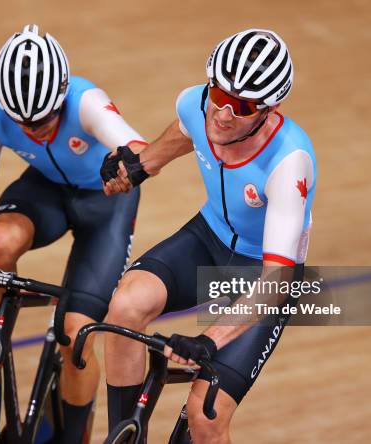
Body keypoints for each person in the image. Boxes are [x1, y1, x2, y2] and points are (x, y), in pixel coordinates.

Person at [0, 24, 147, 443]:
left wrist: (124, 161)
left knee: (75, 336)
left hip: (106, 203)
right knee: (0, 241)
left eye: (45, 118)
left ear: (62, 97)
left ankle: (72, 436)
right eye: (24, 122)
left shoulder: (86, 100)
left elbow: (138, 147)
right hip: (46, 191)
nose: (35, 128)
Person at [100, 28, 316, 442]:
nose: (223, 113)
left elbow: (277, 280)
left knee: (206, 415)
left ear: (269, 110)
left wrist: (211, 340)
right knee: (125, 305)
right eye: (219, 94)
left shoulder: (290, 162)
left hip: (261, 274)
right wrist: (138, 167)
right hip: (209, 238)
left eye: (242, 106)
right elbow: (184, 134)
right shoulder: (195, 102)